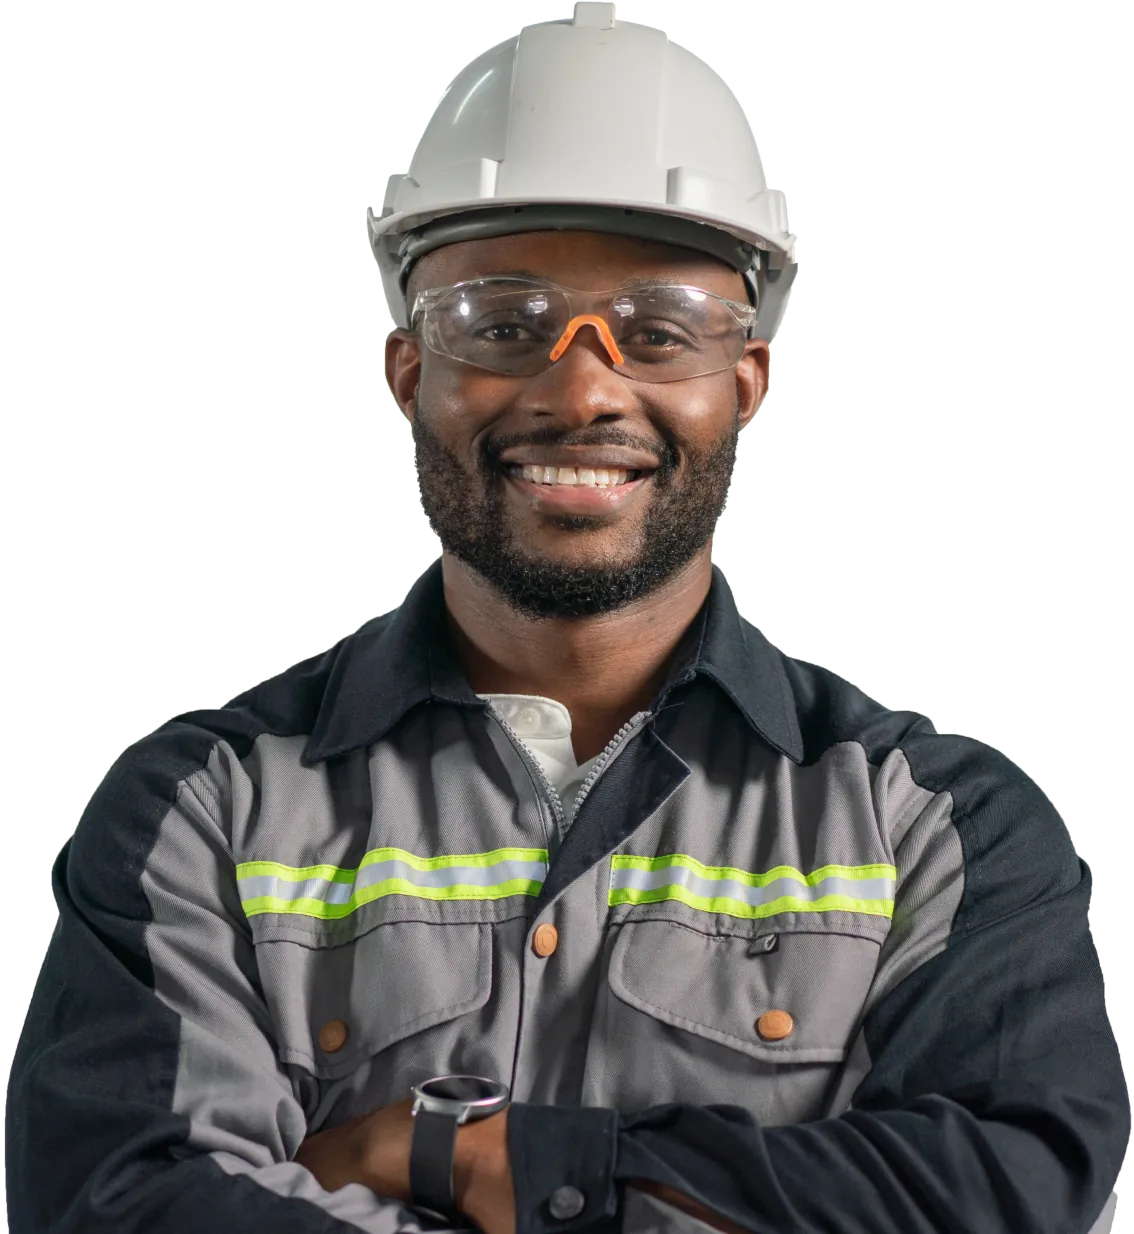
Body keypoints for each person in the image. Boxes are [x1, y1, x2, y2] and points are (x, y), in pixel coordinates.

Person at [7, 4, 1127, 1232]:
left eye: (657, 332)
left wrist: (465, 1159)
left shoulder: (944, 830)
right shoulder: (201, 810)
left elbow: (1015, 1197)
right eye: (501, 323)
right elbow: (113, 1207)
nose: (583, 385)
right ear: (409, 373)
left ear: (744, 382)